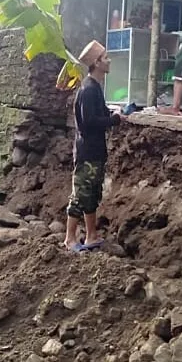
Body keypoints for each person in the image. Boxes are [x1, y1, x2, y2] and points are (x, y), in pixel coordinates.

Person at [65, 40, 125, 252]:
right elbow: (89, 121)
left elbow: (96, 115)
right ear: (97, 63)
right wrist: (113, 120)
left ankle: (91, 236)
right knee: (81, 195)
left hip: (94, 151)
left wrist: (111, 115)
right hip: (87, 152)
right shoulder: (89, 90)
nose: (109, 61)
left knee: (91, 194)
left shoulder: (94, 88)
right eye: (106, 57)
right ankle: (70, 239)